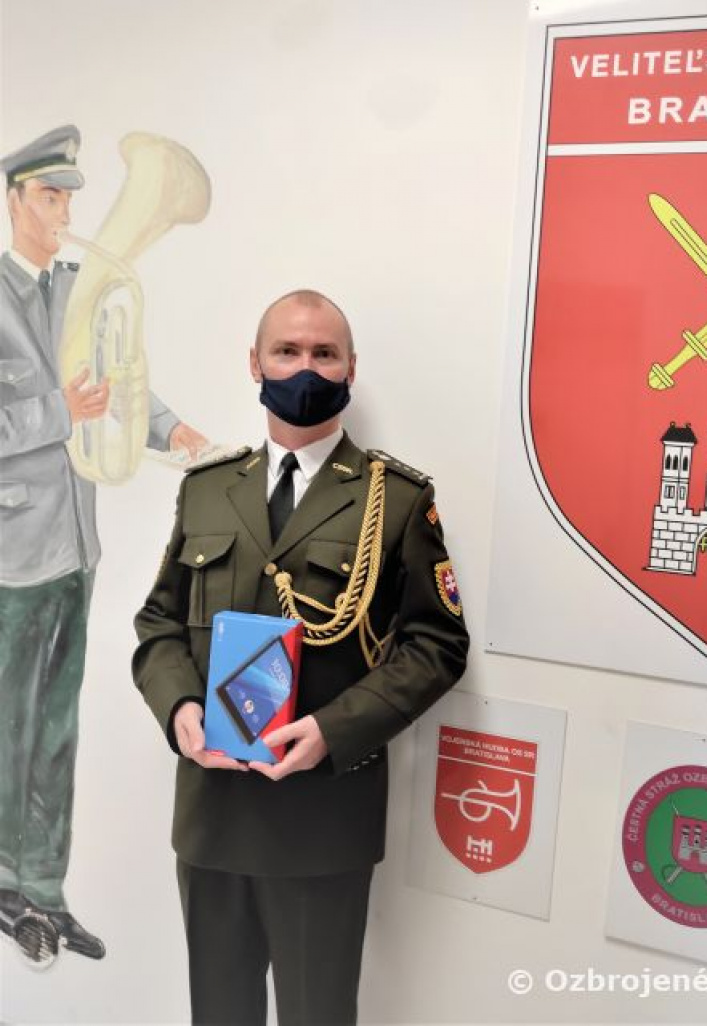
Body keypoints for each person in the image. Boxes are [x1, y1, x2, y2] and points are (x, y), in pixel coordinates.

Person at [132, 288, 469, 1025]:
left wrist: (333, 730)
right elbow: (158, 622)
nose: (305, 367)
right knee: (219, 1013)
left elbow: (437, 646)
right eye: (287, 351)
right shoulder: (208, 489)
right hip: (213, 814)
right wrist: (180, 708)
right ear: (255, 363)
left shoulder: (396, 499)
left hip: (322, 821)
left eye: (324, 353)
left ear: (351, 368)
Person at [0, 125, 207, 961]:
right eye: (50, 197)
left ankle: (44, 892)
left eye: (69, 198)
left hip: (74, 548)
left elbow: (123, 381)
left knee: (56, 730)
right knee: (9, 726)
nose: (65, 212)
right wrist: (62, 412)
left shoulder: (79, 288)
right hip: (12, 553)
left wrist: (172, 428)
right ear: (14, 199)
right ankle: (5, 884)